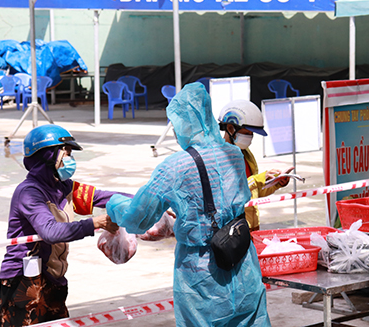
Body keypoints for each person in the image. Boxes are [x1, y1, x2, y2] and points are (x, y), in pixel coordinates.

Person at [107, 83, 270, 327]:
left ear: (182, 124)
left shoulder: (175, 166)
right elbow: (238, 196)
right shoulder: (234, 154)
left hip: (202, 273)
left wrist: (113, 203)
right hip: (242, 259)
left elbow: (137, 218)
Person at [0, 124, 122, 327]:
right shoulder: (29, 192)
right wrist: (94, 223)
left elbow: (104, 197)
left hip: (53, 276)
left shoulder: (63, 186)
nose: (71, 159)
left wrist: (151, 202)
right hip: (24, 281)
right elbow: (50, 232)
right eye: (67, 153)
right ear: (48, 155)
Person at [218, 99, 293, 232]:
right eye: (246, 134)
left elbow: (254, 193)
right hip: (231, 229)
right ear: (230, 128)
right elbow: (229, 193)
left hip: (252, 226)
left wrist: (275, 182)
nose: (250, 139)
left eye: (251, 135)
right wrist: (258, 179)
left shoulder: (246, 154)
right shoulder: (219, 157)